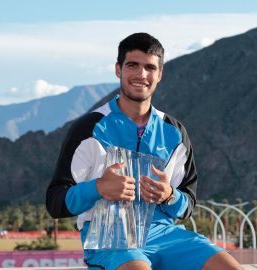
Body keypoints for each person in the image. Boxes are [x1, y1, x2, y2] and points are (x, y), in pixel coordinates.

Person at [45, 33, 242, 270]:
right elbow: (55, 202)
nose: (141, 75)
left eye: (150, 67)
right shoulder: (90, 128)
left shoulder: (174, 132)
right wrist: (98, 188)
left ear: (159, 74)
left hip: (166, 236)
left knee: (229, 267)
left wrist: (169, 195)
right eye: (132, 65)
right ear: (118, 70)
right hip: (111, 239)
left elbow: (188, 205)